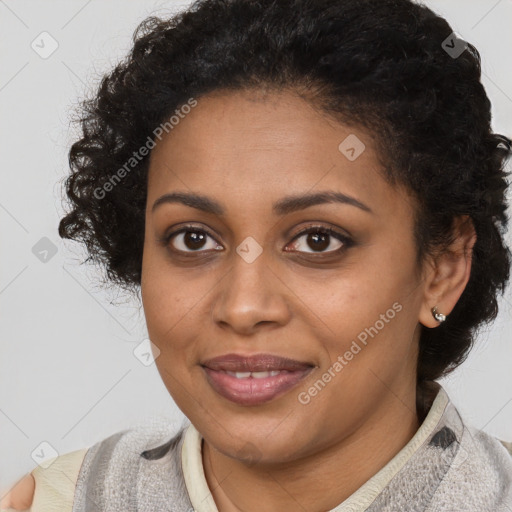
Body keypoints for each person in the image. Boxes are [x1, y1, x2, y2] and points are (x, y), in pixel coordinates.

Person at [2, 0, 512, 510]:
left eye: (318, 240)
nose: (243, 308)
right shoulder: (52, 501)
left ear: (442, 268)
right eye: (193, 238)